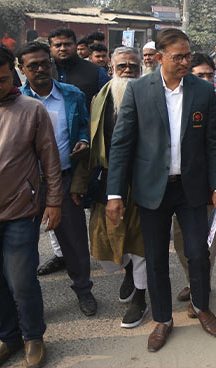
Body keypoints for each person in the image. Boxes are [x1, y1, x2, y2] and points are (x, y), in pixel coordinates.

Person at [105, 28, 216, 351]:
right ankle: (163, 319)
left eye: (189, 55)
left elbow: (214, 143)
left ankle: (201, 306)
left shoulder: (202, 91)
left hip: (192, 189)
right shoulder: (139, 91)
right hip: (152, 190)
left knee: (198, 252)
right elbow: (121, 145)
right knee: (157, 257)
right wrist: (115, 194)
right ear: (159, 58)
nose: (186, 61)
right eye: (179, 57)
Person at [0, 44, 61, 368]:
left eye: (2, 78)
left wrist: (53, 202)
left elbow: (50, 160)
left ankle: (33, 337)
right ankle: (7, 338)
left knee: (22, 281)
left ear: (12, 73)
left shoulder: (31, 109)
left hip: (19, 214)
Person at [70, 46, 149, 328]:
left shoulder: (152, 98)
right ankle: (126, 269)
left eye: (133, 66)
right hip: (107, 179)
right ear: (111, 70)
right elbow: (91, 145)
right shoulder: (98, 100)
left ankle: (141, 296)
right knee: (104, 241)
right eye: (122, 66)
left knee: (140, 241)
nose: (128, 70)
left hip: (142, 181)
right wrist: (80, 183)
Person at [18, 41, 97, 317]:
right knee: (23, 245)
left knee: (74, 241)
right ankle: (28, 303)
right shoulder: (16, 100)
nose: (40, 69)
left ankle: (84, 290)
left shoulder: (71, 95)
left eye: (44, 63)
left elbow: (85, 125)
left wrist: (84, 140)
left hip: (63, 180)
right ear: (21, 69)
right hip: (24, 184)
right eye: (32, 65)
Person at [170, 52, 216, 308]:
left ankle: (201, 289)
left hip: (212, 187)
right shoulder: (177, 102)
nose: (207, 79)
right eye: (200, 75)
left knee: (205, 242)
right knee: (181, 240)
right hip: (180, 185)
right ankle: (192, 281)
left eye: (210, 75)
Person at [48, 27, 109, 109]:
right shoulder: (44, 72)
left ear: (75, 45)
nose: (63, 49)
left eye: (67, 44)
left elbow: (108, 103)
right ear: (50, 48)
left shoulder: (96, 71)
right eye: (58, 45)